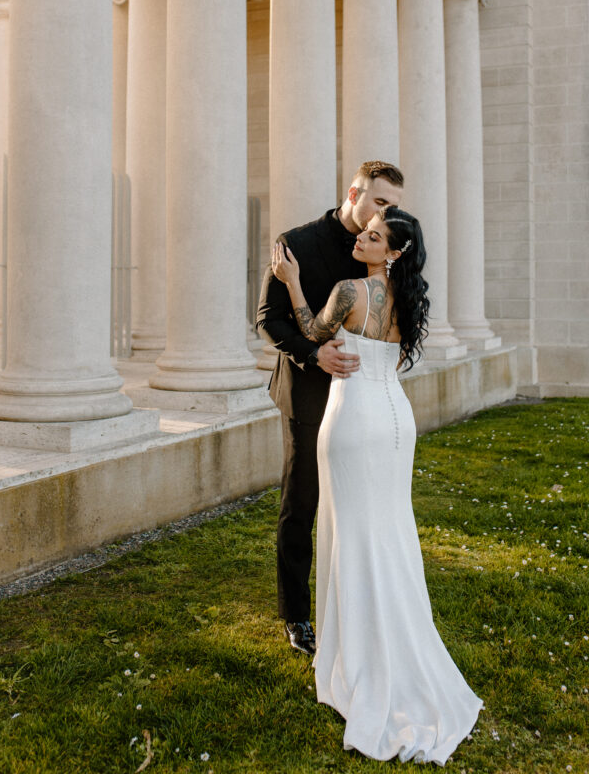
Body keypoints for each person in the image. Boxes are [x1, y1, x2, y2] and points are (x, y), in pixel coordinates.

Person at [271, 205, 483, 766]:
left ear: (392, 252)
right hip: (395, 422)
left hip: (354, 421)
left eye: (374, 236)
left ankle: (361, 660)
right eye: (365, 231)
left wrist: (293, 283)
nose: (361, 237)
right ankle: (395, 640)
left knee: (354, 535)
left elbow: (313, 333)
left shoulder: (348, 291)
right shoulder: (408, 301)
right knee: (388, 530)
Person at [256, 162, 404, 656]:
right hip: (308, 392)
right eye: (379, 203)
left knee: (360, 505)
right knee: (302, 502)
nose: (383, 214)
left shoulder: (382, 249)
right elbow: (268, 319)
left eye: (392, 208)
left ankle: (354, 605)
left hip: (363, 397)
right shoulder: (295, 241)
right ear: (353, 192)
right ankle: (296, 615)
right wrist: (311, 352)